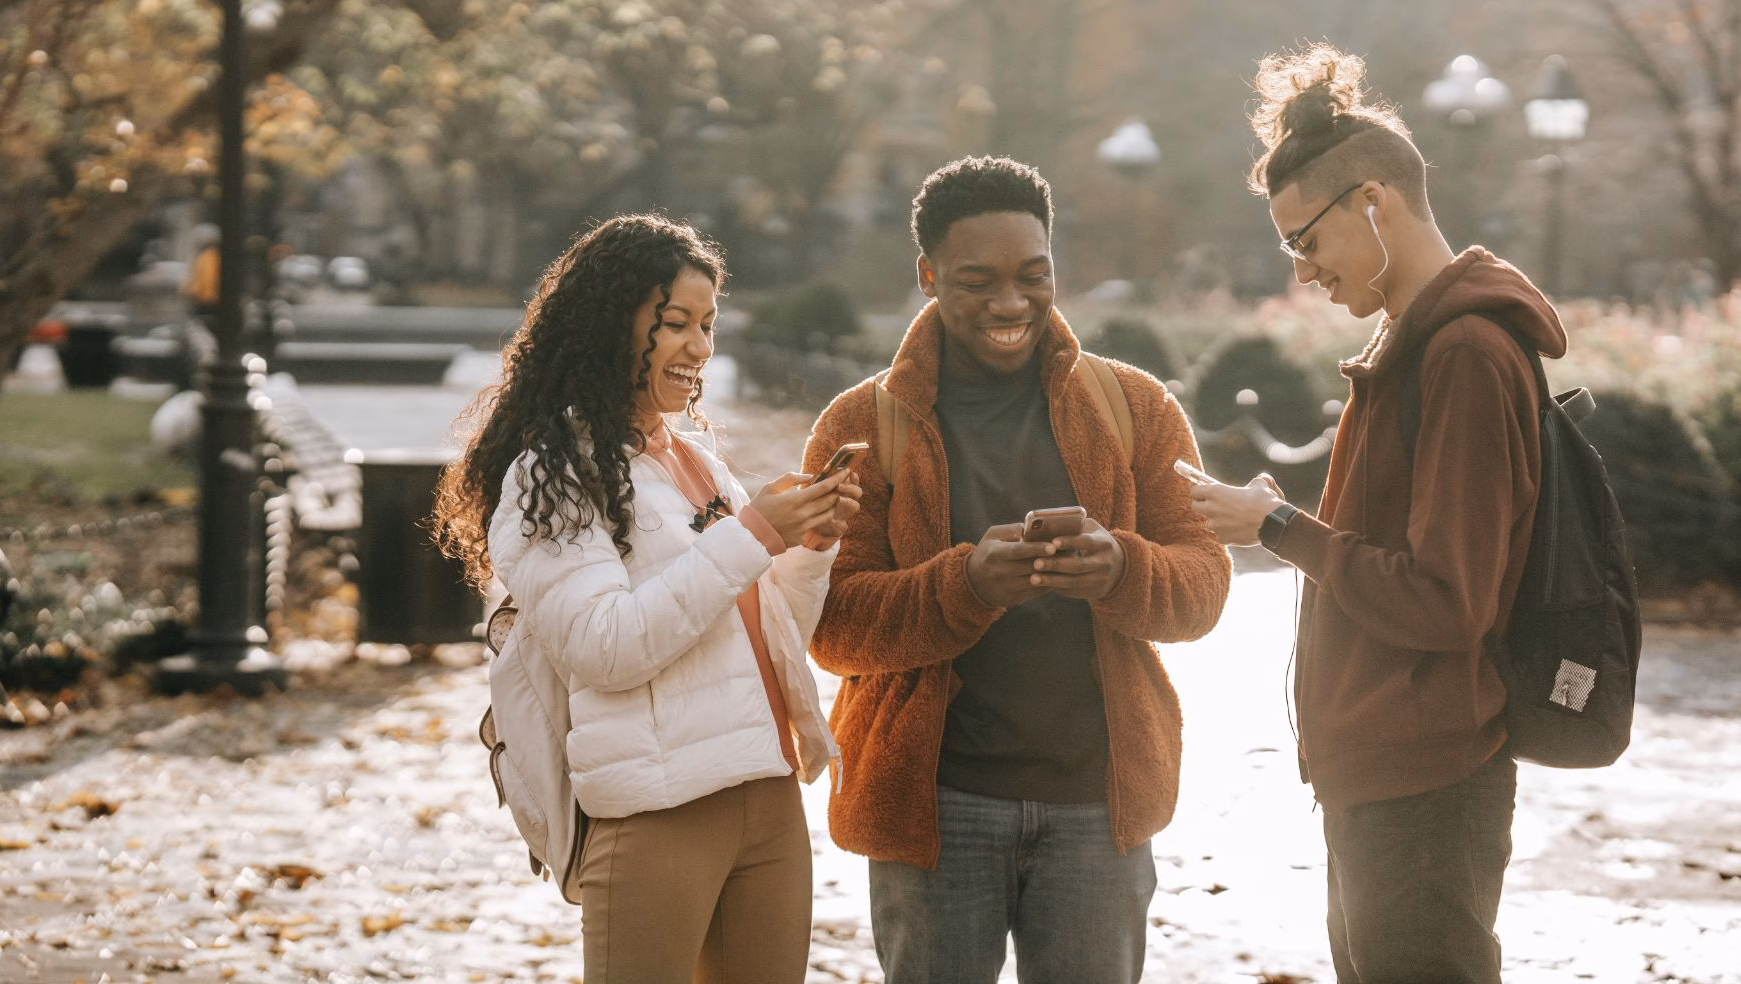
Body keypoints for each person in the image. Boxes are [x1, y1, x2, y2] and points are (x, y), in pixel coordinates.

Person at [1187, 44, 1567, 983]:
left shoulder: (1465, 351)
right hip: (1387, 774)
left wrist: (1276, 529)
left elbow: (1446, 602)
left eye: (1304, 242)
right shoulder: (1417, 340)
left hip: (1427, 780)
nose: (1303, 272)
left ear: (1372, 201)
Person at [802, 156, 1232, 984]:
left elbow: (1205, 586)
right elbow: (832, 627)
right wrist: (963, 587)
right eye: (977, 281)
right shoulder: (862, 425)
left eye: (1034, 276)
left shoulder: (1134, 406)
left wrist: (1122, 569)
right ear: (927, 275)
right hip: (935, 808)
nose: (1011, 303)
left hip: (1098, 807)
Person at [431, 214, 860, 984]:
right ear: (608, 326)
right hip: (660, 813)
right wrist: (753, 533)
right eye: (675, 324)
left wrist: (810, 549)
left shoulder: (692, 462)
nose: (699, 347)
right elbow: (606, 648)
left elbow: (770, 636)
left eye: (708, 324)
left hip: (765, 796)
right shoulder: (552, 476)